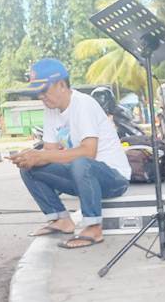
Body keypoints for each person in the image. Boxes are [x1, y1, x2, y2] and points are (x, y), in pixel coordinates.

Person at [9, 58, 131, 249]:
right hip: (81, 178)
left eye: (44, 90)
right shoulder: (51, 110)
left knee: (81, 162)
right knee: (29, 168)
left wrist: (42, 155)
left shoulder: (83, 104)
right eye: (38, 93)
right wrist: (30, 156)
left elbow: (89, 152)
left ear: (61, 85)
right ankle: (61, 219)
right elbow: (50, 152)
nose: (41, 97)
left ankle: (93, 227)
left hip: (113, 178)